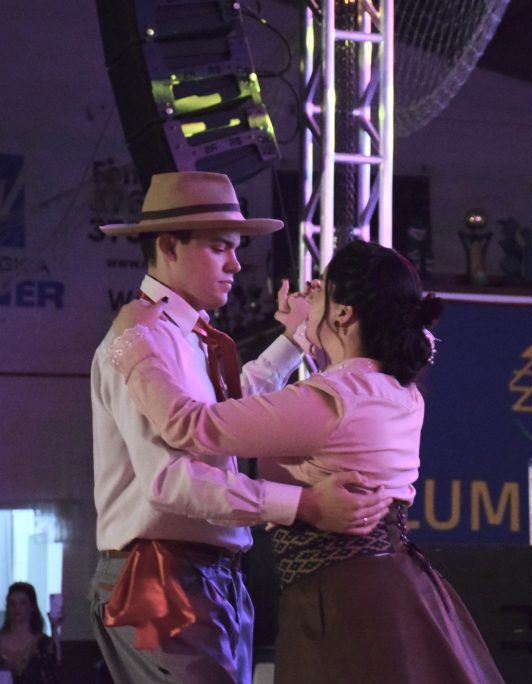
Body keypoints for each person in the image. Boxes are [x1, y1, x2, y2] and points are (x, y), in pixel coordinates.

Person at [110, 239, 505, 684]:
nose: (308, 290)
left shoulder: (331, 401)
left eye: (322, 287)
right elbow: (258, 409)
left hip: (343, 595)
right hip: (393, 583)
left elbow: (193, 425)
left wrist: (136, 347)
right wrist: (300, 336)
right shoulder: (396, 390)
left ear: (343, 313)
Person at [90, 171, 390, 684]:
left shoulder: (179, 334)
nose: (235, 264)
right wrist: (305, 505)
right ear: (169, 246)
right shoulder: (141, 339)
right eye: (220, 248)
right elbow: (171, 482)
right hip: (158, 575)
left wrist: (293, 342)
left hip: (206, 572)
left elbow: (224, 413)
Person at [0, 583, 59, 684]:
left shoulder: (42, 644)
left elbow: (54, 668)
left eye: (23, 603)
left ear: (32, 607)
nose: (17, 608)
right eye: (12, 603)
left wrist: (54, 627)